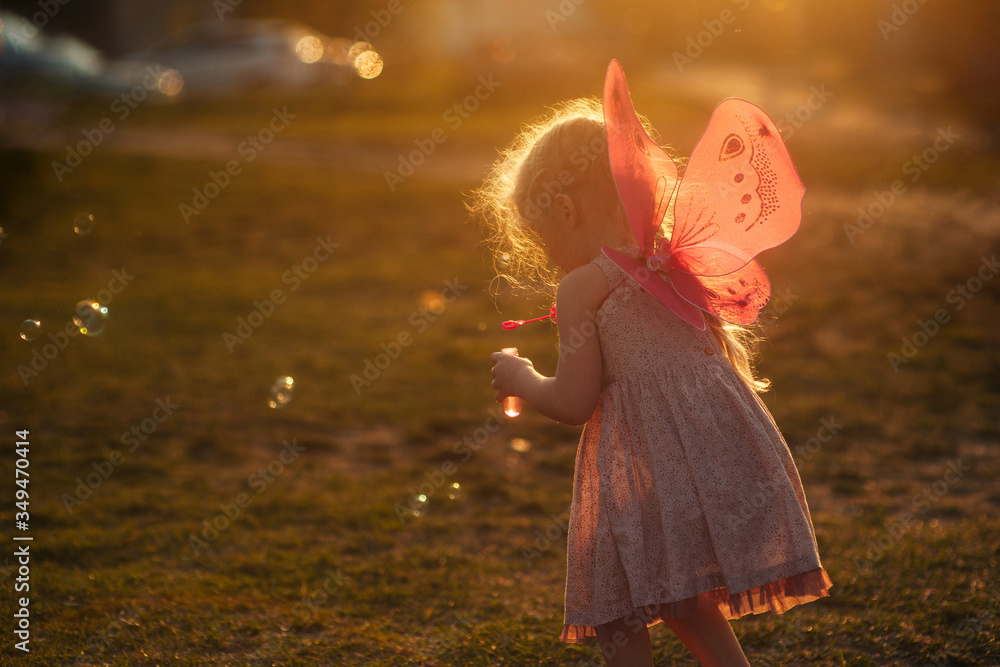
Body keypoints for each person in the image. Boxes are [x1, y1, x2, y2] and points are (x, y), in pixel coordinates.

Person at [476, 94, 832, 666]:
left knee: (617, 606)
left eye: (544, 241)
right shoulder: (674, 259)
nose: (549, 261)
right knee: (683, 599)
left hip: (648, 464)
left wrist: (522, 378)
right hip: (714, 451)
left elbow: (573, 401)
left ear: (565, 210)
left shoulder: (583, 287)